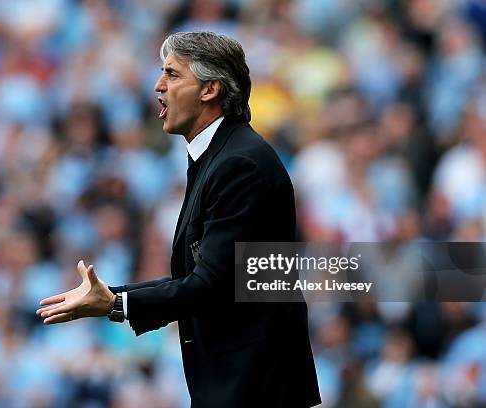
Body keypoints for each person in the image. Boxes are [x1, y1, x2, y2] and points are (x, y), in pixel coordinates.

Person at [36, 31, 321, 408]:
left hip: (255, 389)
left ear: (210, 90)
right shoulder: (220, 156)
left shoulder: (240, 165)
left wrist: (115, 305)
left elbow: (210, 286)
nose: (158, 86)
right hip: (243, 385)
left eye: (172, 74)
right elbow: (204, 278)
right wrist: (114, 296)